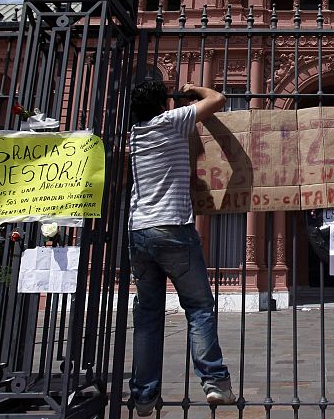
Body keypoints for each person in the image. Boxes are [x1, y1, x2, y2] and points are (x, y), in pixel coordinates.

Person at [128, 79, 233, 415]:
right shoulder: (172, 121)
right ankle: (214, 382)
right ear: (162, 105)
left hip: (139, 230)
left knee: (147, 315)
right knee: (199, 308)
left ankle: (144, 396)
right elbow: (219, 99)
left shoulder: (134, 134)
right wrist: (194, 87)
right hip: (173, 227)